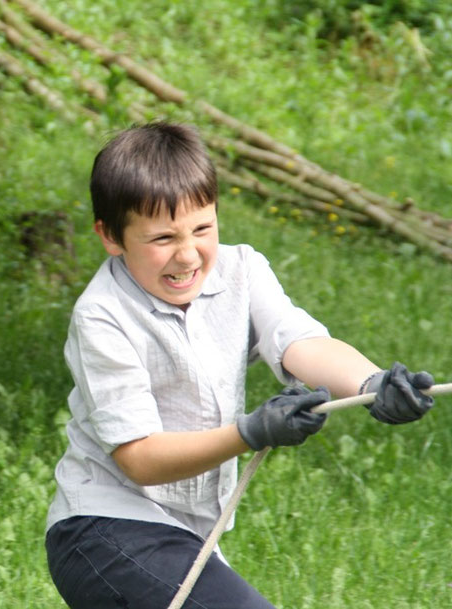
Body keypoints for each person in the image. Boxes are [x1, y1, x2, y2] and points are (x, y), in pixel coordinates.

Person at [44, 121, 434, 609]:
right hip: (103, 530)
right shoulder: (102, 315)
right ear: (110, 236)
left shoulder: (242, 270)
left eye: (203, 228)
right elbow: (139, 458)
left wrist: (372, 382)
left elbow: (300, 342)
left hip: (187, 538)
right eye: (162, 238)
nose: (188, 254)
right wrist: (249, 432)